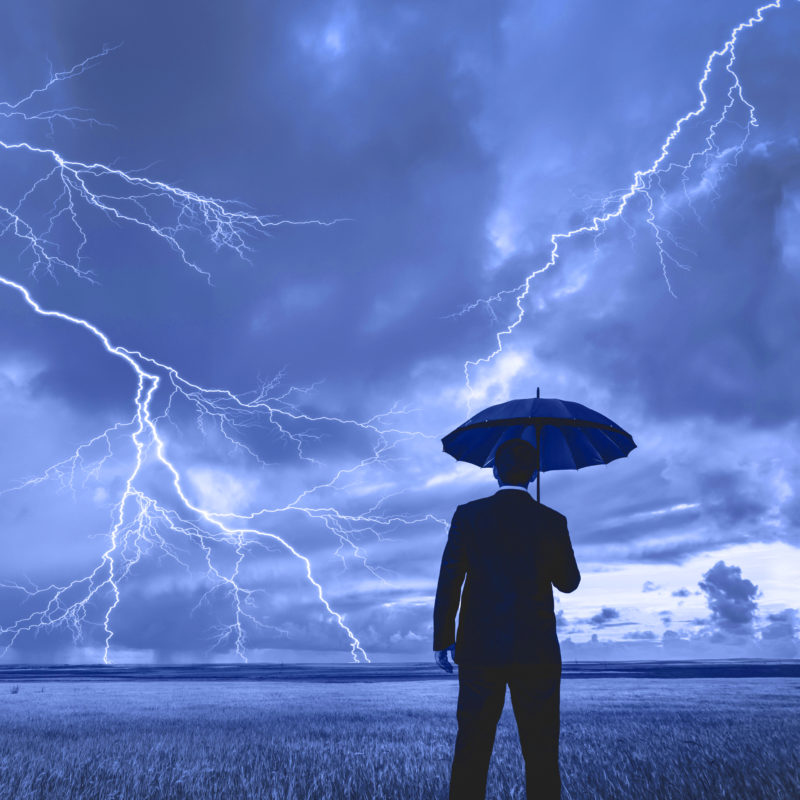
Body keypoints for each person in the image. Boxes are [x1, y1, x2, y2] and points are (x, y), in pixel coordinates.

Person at [433, 437, 581, 800]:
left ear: (495, 471)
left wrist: (443, 638)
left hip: (480, 650)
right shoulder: (552, 521)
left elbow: (450, 577)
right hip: (536, 653)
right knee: (541, 750)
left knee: (472, 746)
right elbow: (569, 582)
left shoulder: (468, 515)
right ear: (534, 474)